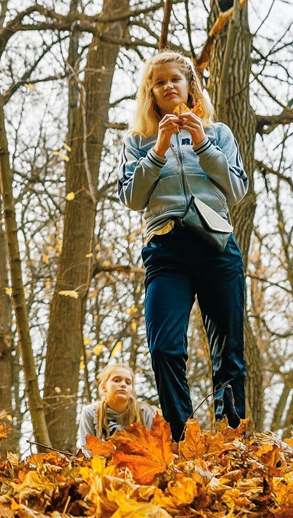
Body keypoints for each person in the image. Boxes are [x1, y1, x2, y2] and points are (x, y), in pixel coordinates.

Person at [118, 50, 248, 442]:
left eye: (175, 78)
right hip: (166, 249)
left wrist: (203, 143)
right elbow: (131, 196)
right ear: (151, 93)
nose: (167, 86)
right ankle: (183, 439)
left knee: (228, 352)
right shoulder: (138, 141)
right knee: (164, 348)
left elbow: (237, 188)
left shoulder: (219, 132)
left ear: (190, 85)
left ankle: (232, 440)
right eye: (158, 82)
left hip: (216, 244)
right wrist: (158, 150)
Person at [78, 363, 155, 445]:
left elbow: (154, 448)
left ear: (131, 392)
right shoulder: (90, 413)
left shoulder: (144, 412)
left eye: (128, 382)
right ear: (103, 387)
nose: (123, 385)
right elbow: (86, 450)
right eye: (116, 380)